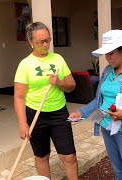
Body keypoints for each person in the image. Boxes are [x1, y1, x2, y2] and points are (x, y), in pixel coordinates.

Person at [69, 29, 122, 180]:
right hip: (107, 128)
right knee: (119, 173)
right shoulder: (107, 71)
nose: (107, 57)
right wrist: (81, 112)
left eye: (111, 53)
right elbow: (98, 100)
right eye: (105, 53)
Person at [14, 22, 78, 180]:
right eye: (40, 42)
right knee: (42, 156)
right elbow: (19, 96)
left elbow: (72, 86)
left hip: (59, 113)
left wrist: (60, 82)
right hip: (35, 114)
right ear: (30, 42)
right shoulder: (25, 65)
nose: (45, 44)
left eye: (48, 40)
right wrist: (23, 123)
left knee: (69, 156)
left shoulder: (58, 59)